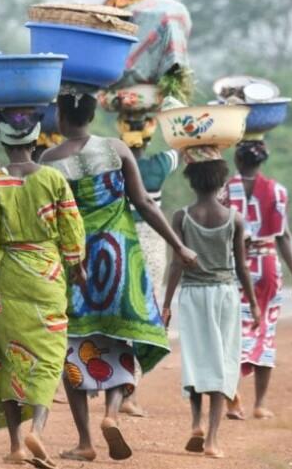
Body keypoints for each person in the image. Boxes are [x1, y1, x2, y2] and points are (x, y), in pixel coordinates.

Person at [39, 90, 197, 462]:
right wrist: (179, 246)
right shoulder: (117, 150)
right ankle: (111, 414)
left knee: (73, 346)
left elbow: (45, 218)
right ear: (93, 117)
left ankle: (85, 441)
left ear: (60, 118)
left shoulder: (48, 161)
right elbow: (144, 203)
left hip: (75, 263)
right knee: (121, 337)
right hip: (121, 258)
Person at [0, 109, 86, 469]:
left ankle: (17, 444)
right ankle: (39, 429)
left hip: (6, 281)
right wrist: (77, 268)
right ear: (35, 142)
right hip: (46, 277)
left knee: (7, 357)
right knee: (48, 356)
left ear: (3, 143)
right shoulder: (53, 179)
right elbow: (72, 232)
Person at [162, 149, 260, 459]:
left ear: (191, 181)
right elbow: (242, 267)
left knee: (195, 359)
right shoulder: (234, 218)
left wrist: (166, 304)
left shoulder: (182, 216)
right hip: (224, 295)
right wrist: (254, 304)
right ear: (222, 182)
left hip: (191, 296)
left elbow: (176, 265)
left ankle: (195, 423)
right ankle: (213, 440)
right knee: (222, 362)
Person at [223, 140, 292, 420]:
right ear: (262, 161)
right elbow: (284, 236)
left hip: (235, 265)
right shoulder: (277, 191)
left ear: (237, 159)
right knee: (265, 330)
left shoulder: (225, 191)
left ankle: (232, 397)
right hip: (268, 265)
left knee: (233, 330)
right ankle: (260, 404)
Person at [122, 117, 179, 418]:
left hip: (122, 244)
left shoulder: (114, 165)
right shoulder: (159, 164)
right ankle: (130, 393)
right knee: (146, 316)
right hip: (153, 248)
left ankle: (113, 385)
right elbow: (180, 147)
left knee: (121, 316)